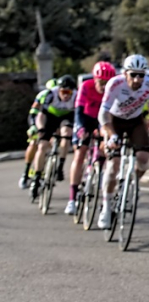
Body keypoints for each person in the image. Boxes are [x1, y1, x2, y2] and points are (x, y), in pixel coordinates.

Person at [96, 55, 149, 229]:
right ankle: (106, 206)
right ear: (125, 73)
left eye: (141, 75)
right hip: (114, 120)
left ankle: (131, 186)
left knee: (143, 158)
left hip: (135, 121)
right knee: (113, 166)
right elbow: (103, 114)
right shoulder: (115, 84)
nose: (137, 79)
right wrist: (111, 135)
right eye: (133, 75)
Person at [64, 62, 116, 215]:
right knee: (80, 153)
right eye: (101, 83)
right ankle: (72, 199)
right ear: (94, 79)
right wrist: (80, 128)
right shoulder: (86, 86)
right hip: (85, 119)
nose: (104, 86)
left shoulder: (113, 90)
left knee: (106, 148)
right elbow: (78, 110)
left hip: (102, 121)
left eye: (107, 83)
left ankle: (98, 166)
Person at [29, 75, 77, 199]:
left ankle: (60, 166)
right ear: (58, 90)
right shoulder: (51, 94)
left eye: (69, 92)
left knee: (66, 134)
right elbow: (41, 115)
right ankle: (37, 176)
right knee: (42, 146)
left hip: (66, 117)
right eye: (63, 92)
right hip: (50, 117)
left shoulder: (76, 96)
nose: (66, 95)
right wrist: (39, 128)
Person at [18, 78, 56, 190]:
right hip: (40, 121)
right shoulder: (42, 95)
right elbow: (33, 113)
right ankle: (26, 172)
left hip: (53, 122)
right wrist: (34, 126)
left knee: (53, 143)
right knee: (34, 143)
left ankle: (47, 170)